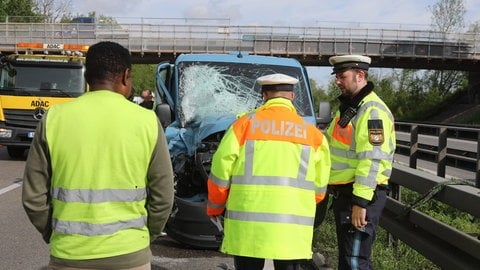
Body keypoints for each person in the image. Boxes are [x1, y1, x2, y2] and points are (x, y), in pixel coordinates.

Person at [22, 41, 174, 270]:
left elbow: (33, 197)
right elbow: (163, 195)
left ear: (87, 77)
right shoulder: (147, 121)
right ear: (126, 76)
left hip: (69, 255)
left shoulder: (54, 118)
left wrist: (55, 234)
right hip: (130, 254)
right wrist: (142, 237)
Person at [206, 73, 331, 270]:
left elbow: (221, 171)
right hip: (292, 225)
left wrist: (215, 207)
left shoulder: (243, 125)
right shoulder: (313, 135)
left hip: (248, 224)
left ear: (264, 95)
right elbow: (320, 190)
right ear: (292, 97)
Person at [325, 55, 396, 270]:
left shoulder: (371, 110)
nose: (338, 81)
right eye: (336, 76)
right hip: (347, 195)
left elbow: (373, 159)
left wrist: (360, 203)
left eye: (342, 76)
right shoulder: (351, 108)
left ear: (360, 75)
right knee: (348, 260)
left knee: (355, 261)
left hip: (361, 197)